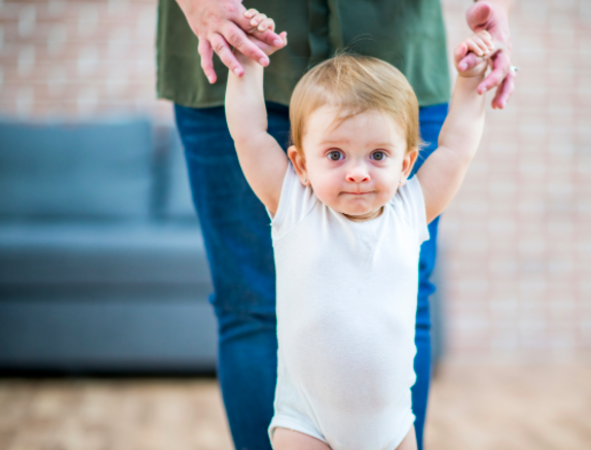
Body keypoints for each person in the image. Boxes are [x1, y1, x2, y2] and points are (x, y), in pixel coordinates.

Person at [155, 1, 515, 448]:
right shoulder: (292, 205)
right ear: (300, 164)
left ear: (406, 164)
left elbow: (456, 148)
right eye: (336, 155)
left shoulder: (410, 209)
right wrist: (247, 64)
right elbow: (248, 135)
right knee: (246, 309)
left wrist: (470, 81)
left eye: (378, 156)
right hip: (306, 426)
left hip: (393, 428)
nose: (358, 172)